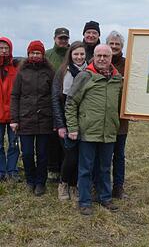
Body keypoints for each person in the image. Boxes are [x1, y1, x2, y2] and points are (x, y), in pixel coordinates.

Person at [65, 44, 122, 215]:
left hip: (109, 131)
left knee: (105, 167)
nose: (102, 59)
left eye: (106, 56)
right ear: (94, 57)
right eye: (99, 56)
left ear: (111, 58)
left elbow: (123, 103)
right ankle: (84, 201)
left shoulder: (117, 79)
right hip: (88, 131)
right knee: (85, 169)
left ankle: (105, 198)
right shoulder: (85, 76)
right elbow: (71, 102)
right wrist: (73, 127)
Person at [10, 40, 55, 196]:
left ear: (43, 55)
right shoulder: (22, 73)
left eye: (38, 53)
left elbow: (54, 97)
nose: (35, 55)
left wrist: (55, 119)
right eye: (32, 53)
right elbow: (15, 96)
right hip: (25, 119)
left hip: (45, 119)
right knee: (28, 153)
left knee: (42, 154)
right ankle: (30, 180)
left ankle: (40, 183)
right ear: (28, 54)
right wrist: (14, 119)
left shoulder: (50, 72)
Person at [52, 41, 87, 201]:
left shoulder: (89, 72)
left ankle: (74, 186)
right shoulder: (62, 72)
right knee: (70, 156)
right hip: (65, 122)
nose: (79, 57)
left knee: (80, 156)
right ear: (70, 55)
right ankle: (63, 183)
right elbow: (55, 99)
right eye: (76, 54)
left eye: (81, 54)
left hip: (84, 121)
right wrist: (60, 125)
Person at [46, 27, 70, 183]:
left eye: (65, 38)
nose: (63, 41)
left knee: (65, 138)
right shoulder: (48, 55)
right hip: (50, 101)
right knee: (52, 139)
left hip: (67, 102)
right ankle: (52, 169)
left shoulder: (71, 54)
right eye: (60, 38)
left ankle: (64, 170)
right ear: (55, 38)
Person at [106, 31, 129, 199]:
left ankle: (118, 187)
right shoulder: (98, 61)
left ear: (122, 47)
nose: (114, 47)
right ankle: (102, 186)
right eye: (111, 44)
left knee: (119, 154)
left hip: (121, 120)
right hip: (103, 119)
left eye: (117, 44)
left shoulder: (128, 64)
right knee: (103, 155)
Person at [0, 37, 20, 182]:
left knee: (14, 144)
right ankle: (1, 171)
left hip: (13, 114)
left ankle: (12, 170)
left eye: (6, 48)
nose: (3, 50)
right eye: (1, 48)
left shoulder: (15, 68)